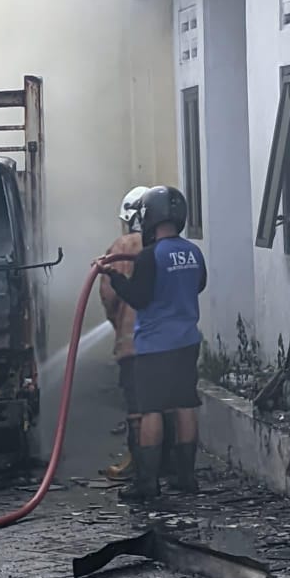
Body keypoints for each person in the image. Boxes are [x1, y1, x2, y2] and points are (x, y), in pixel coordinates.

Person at [99, 185, 207, 500]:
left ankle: (147, 484)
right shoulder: (193, 252)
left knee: (151, 411)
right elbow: (198, 285)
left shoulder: (150, 256)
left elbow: (139, 298)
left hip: (155, 347)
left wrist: (114, 277)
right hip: (187, 342)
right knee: (186, 405)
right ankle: (186, 477)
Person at [98, 186, 149, 483]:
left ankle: (139, 464)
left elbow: (108, 294)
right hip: (165, 344)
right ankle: (163, 462)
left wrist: (117, 324)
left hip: (131, 342)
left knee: (136, 406)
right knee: (161, 403)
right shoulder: (162, 244)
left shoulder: (121, 247)